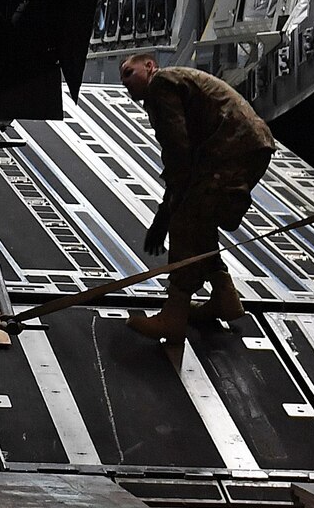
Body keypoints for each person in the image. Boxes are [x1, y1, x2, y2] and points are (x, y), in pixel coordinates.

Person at [117, 54, 276, 341]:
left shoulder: (161, 84)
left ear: (150, 66)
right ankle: (224, 296)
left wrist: (165, 214)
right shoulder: (174, 82)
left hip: (231, 147)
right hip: (244, 144)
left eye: (130, 73)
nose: (125, 82)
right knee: (201, 215)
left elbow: (178, 151)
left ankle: (173, 315)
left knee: (186, 219)